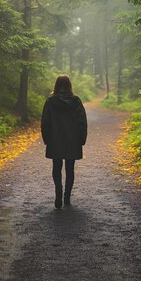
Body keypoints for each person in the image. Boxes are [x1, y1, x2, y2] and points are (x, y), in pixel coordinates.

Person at [41, 75, 88, 209]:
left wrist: (46, 138)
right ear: (69, 85)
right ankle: (67, 197)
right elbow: (82, 122)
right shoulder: (76, 101)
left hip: (55, 139)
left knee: (56, 167)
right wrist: (82, 139)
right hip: (72, 140)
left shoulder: (50, 101)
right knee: (70, 168)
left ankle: (58, 193)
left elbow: (45, 122)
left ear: (56, 85)